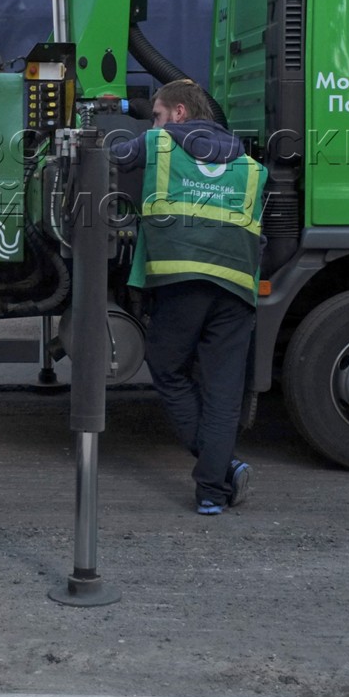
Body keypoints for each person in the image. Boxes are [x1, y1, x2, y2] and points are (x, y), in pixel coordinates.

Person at [110, 79, 266, 515]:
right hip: (237, 285)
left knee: (168, 368)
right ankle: (212, 492)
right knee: (222, 390)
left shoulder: (158, 143)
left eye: (157, 114)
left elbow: (102, 159)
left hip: (181, 280)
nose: (153, 122)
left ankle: (222, 471)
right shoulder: (250, 164)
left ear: (178, 113)